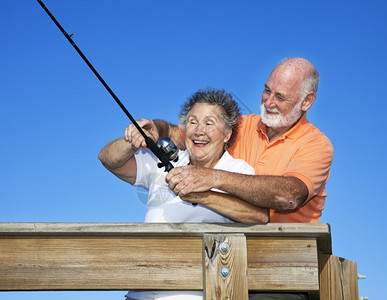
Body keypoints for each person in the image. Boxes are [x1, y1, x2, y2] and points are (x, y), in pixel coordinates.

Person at [99, 88, 269, 300]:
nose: (199, 131)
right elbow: (108, 159)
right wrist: (132, 140)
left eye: (209, 123)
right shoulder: (164, 160)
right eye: (193, 122)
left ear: (227, 134)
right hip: (141, 293)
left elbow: (259, 215)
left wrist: (202, 196)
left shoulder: (238, 170)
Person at [128, 57, 334, 223]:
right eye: (267, 90)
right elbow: (180, 134)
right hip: (236, 250)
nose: (268, 102)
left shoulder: (316, 145)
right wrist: (156, 126)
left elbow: (290, 195)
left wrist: (213, 178)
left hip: (290, 255)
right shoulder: (241, 124)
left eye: (280, 97)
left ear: (307, 101)